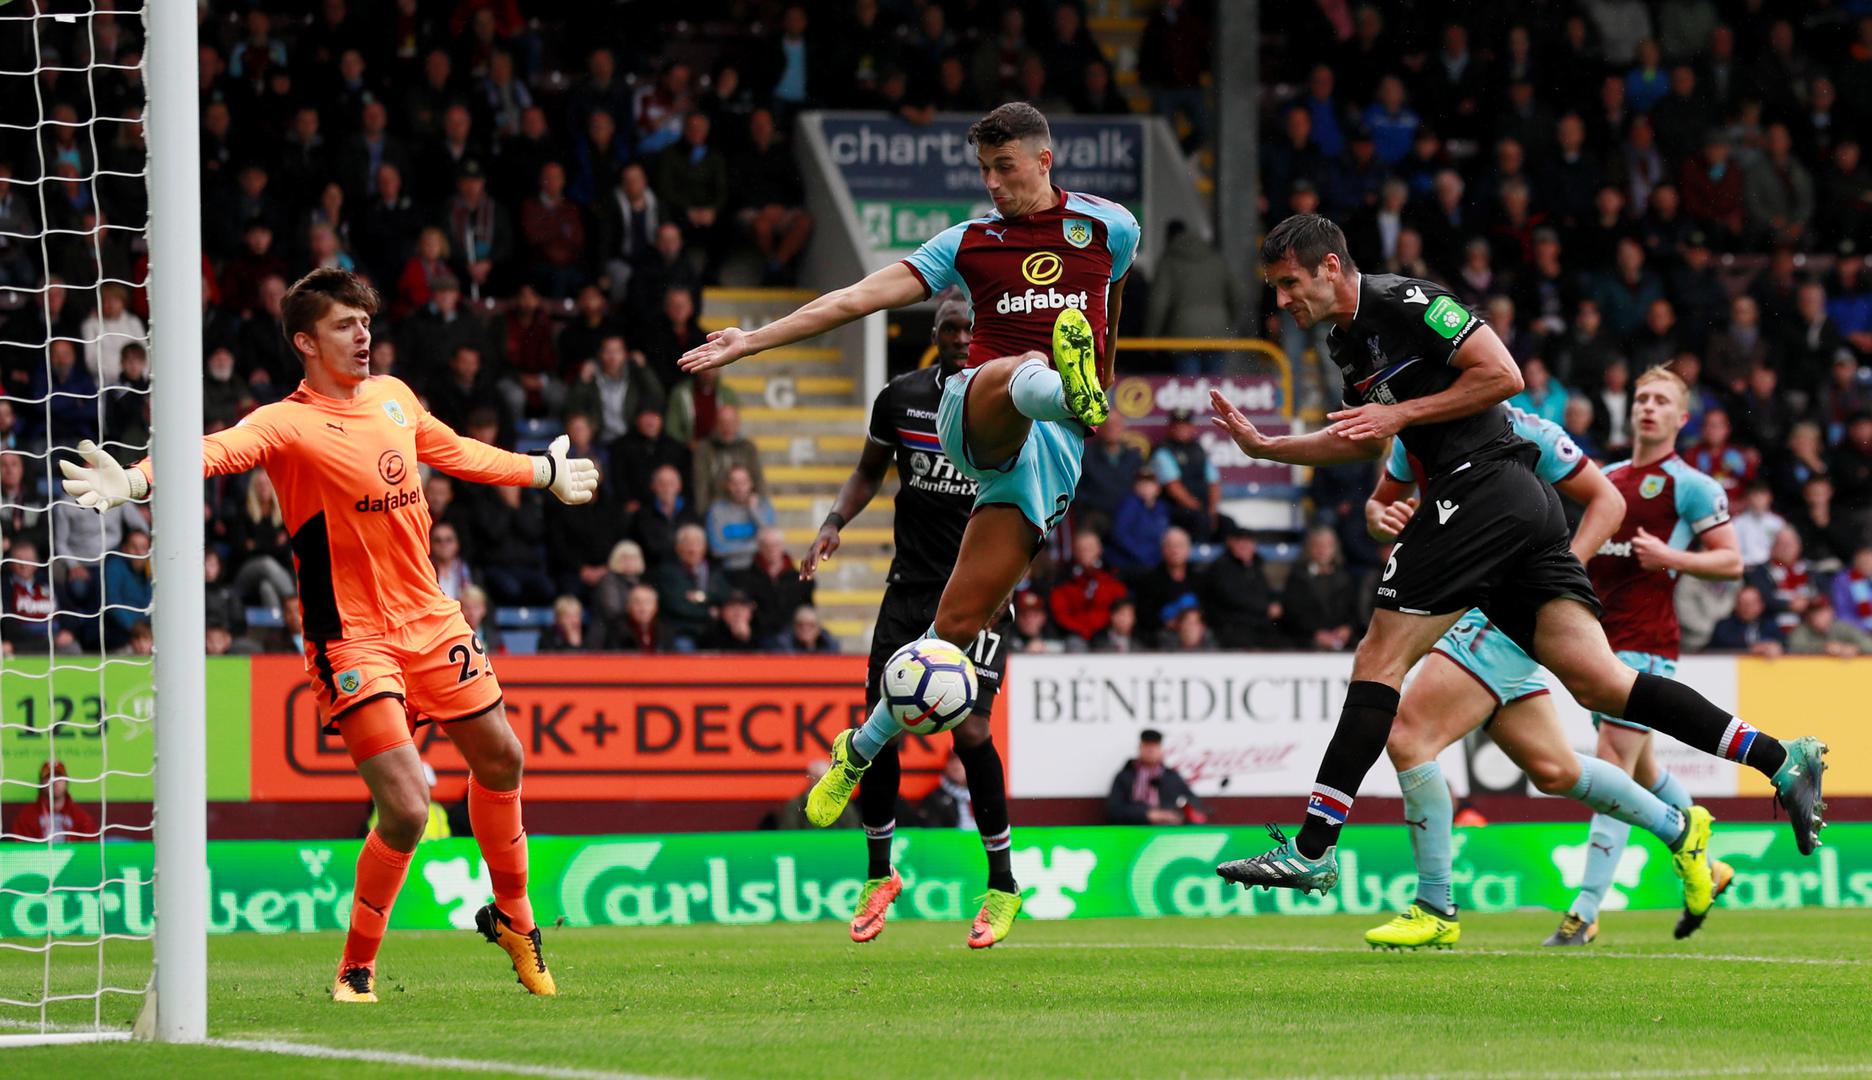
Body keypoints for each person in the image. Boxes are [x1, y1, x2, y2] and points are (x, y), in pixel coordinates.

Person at [1206, 215, 1825, 898]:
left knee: (1379, 659)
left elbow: (1503, 374)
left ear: (1329, 266)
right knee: (1603, 684)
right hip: (1512, 508)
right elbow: (1362, 437)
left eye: (1289, 283)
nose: (1281, 300)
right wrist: (1271, 448)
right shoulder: (1345, 342)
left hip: (1481, 491)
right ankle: (1780, 759)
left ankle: (1314, 849)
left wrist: (1403, 416)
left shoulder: (1407, 300)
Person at [57, 268, 598, 1002]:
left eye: (366, 322)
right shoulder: (284, 423)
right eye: (345, 325)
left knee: (503, 758)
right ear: (306, 342)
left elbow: (456, 451)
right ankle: (356, 968)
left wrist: (542, 471)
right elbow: (212, 451)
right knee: (406, 808)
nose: (363, 335)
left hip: (430, 617)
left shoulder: (394, 396)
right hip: (351, 637)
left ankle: (514, 918)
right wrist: (135, 481)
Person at [684, 103, 1137, 948]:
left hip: (1050, 460)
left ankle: (858, 750)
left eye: (1005, 168)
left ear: (1044, 159)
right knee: (1021, 371)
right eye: (985, 171)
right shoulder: (967, 242)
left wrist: (1094, 384)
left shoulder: (1111, 227)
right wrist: (755, 341)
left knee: (945, 638)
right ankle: (1061, 383)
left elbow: (1110, 311)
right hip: (980, 413)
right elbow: (859, 296)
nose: (993, 184)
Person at [1361, 395, 1724, 952]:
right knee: (1555, 770)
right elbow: (1380, 506)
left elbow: (1606, 502)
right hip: (1465, 606)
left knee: (1409, 735)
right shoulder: (1412, 433)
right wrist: (1378, 516)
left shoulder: (1523, 429)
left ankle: (1436, 906)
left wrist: (1555, 578)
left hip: (1502, 613)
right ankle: (1682, 830)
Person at [800, 296, 1022, 947]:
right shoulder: (901, 399)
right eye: (951, 328)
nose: (961, 338)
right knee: (883, 719)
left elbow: (1033, 499)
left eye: (970, 328)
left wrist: (1012, 578)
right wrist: (834, 523)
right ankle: (879, 877)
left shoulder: (1008, 403)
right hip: (909, 590)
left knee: (972, 731)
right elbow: (867, 472)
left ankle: (1003, 885)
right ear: (935, 334)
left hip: (978, 592)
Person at [1106, 729, 1205, 825]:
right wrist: (1146, 814)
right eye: (1147, 746)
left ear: (1161, 749)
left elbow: (1193, 802)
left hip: (1166, 830)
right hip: (1135, 828)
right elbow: (1114, 811)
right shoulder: (1125, 776)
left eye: (1154, 746)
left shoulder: (1171, 777)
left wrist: (1176, 813)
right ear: (1140, 748)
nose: (1150, 750)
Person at [7, 760, 100, 843]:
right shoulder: (26, 817)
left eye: (58, 776)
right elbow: (21, 850)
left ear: (67, 781)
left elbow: (89, 850)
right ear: (41, 782)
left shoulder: (81, 817)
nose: (54, 781)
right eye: (48, 776)